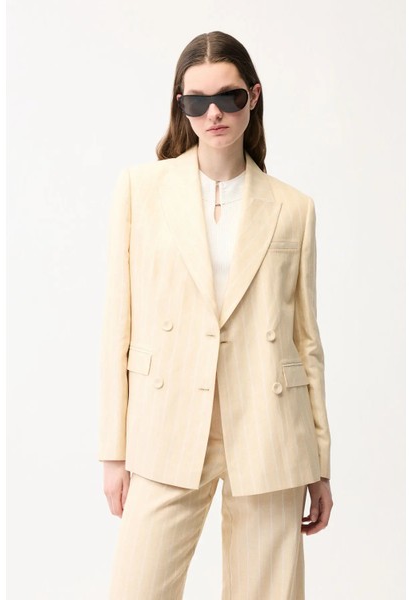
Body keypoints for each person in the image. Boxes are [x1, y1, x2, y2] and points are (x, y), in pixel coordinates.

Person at [99, 30, 333, 600]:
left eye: (228, 97)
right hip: (168, 420)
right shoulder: (140, 190)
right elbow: (117, 325)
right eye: (196, 100)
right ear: (180, 105)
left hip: (269, 427)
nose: (213, 113)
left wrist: (320, 462)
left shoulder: (294, 208)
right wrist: (113, 450)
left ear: (253, 96)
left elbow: (306, 341)